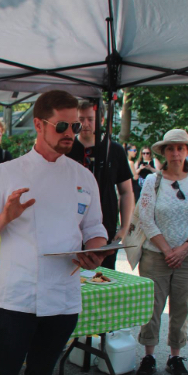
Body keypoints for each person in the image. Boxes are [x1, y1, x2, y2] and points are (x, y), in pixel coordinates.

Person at [0, 90, 110, 375]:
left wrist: (96, 252)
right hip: (18, 298)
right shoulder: (5, 172)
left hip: (63, 297)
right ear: (38, 124)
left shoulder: (83, 177)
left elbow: (94, 228)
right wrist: (5, 215)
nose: (70, 134)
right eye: (62, 126)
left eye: (76, 127)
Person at [134, 129, 188, 375]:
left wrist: (185, 247)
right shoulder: (153, 182)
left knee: (181, 306)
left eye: (181, 148)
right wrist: (168, 250)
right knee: (151, 308)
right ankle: (149, 355)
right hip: (156, 255)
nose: (176, 153)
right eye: (171, 148)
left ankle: (175, 356)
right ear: (164, 153)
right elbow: (145, 218)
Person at [66, 100, 134, 269]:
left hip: (106, 225)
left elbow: (126, 191)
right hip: (70, 227)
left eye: (90, 119)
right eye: (81, 119)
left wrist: (124, 227)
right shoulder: (67, 149)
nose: (86, 124)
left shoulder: (114, 150)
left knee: (103, 277)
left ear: (102, 120)